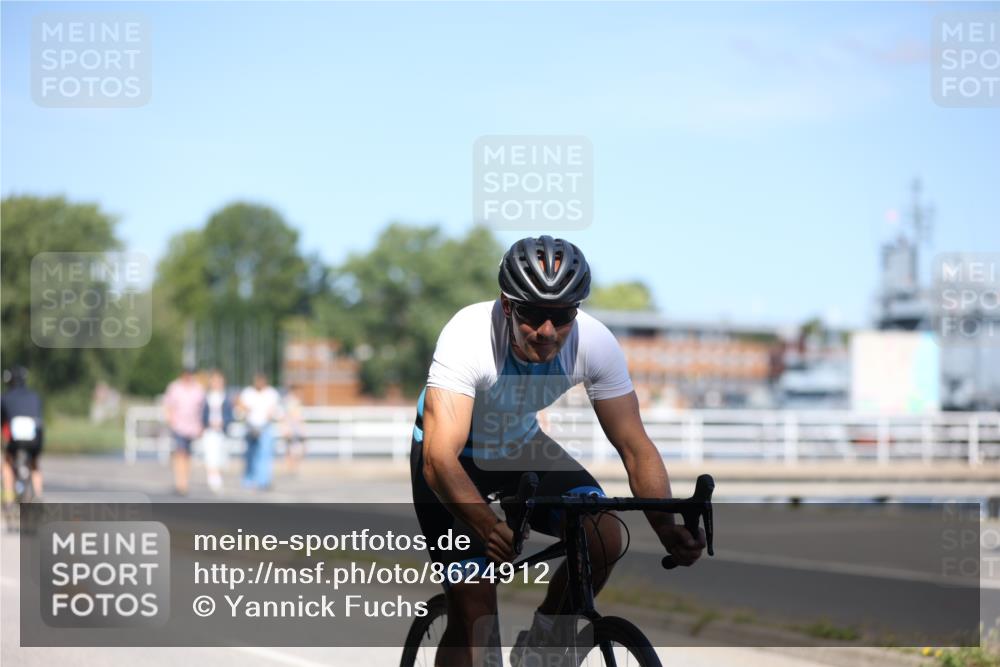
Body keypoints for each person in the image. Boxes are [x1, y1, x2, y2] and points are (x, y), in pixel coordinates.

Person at [410, 236, 707, 667]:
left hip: (519, 446)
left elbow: (634, 446)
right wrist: (487, 524)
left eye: (563, 315)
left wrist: (666, 527)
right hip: (451, 459)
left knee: (603, 536)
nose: (547, 331)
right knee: (475, 615)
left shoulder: (595, 343)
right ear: (507, 305)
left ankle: (543, 645)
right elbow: (439, 460)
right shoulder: (468, 335)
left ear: (576, 311)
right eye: (532, 314)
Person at [1, 366, 44, 505]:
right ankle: (38, 496)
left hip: (15, 440)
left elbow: (3, 422)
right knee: (35, 464)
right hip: (35, 439)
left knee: (7, 463)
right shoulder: (35, 396)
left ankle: (8, 500)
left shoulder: (5, 398)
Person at [163, 367, 206, 496]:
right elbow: (168, 405)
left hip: (193, 427)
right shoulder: (175, 387)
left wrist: (201, 426)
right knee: (180, 453)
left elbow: (203, 409)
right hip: (179, 426)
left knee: (187, 455)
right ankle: (180, 482)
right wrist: (170, 419)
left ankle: (185, 482)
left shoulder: (198, 389)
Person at [237, 372, 281, 490]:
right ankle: (248, 479)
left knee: (265, 455)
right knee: (250, 455)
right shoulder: (248, 392)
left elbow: (274, 410)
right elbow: (240, 406)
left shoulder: (271, 393)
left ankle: (263, 481)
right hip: (250, 427)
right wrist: (244, 408)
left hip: (265, 428)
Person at [201, 369, 234, 494]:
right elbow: (202, 415)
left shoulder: (226, 397)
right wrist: (207, 423)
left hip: (222, 432)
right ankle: (214, 482)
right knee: (211, 457)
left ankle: (217, 480)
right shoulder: (206, 397)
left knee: (221, 458)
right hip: (210, 431)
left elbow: (230, 416)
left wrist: (223, 423)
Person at [281, 384, 306, 476]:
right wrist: (285, 429)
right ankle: (290, 469)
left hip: (296, 428)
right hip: (291, 428)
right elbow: (286, 417)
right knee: (291, 449)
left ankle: (294, 468)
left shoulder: (296, 401)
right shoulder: (288, 401)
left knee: (297, 449)